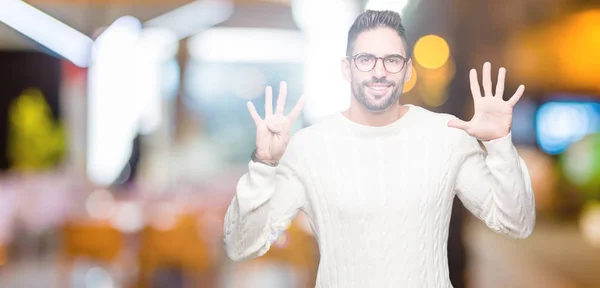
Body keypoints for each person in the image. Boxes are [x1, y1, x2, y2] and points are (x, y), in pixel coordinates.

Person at [223, 9, 535, 288]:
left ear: (408, 70)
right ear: (347, 68)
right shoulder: (309, 147)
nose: (379, 71)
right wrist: (263, 164)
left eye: (392, 60)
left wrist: (499, 145)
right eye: (365, 59)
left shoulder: (447, 134)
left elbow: (516, 223)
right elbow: (241, 245)